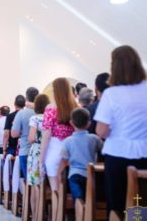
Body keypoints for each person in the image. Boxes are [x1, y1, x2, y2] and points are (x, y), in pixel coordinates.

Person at [94, 45, 147, 217]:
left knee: (117, 205)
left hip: (117, 154)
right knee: (139, 205)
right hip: (144, 154)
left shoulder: (112, 94)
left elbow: (101, 131)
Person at [57, 108, 102, 206]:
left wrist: (58, 174)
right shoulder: (94, 138)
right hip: (91, 174)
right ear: (89, 123)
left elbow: (64, 161)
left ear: (71, 123)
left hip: (74, 175)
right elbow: (103, 150)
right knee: (89, 199)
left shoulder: (68, 141)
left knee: (78, 201)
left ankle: (79, 216)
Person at [40, 78, 77, 193]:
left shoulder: (50, 109)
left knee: (55, 192)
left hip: (54, 150)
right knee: (70, 192)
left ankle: (56, 211)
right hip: (71, 151)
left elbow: (46, 137)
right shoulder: (76, 107)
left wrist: (41, 161)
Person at [27, 94, 50, 219]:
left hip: (36, 152)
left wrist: (37, 139)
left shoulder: (35, 118)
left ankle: (36, 216)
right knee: (46, 184)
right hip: (48, 151)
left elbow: (30, 138)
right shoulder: (51, 117)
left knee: (35, 184)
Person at [11, 87, 39, 179]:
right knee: (40, 183)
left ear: (26, 98)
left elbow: (14, 134)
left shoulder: (21, 113)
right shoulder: (43, 112)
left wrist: (23, 132)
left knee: (29, 181)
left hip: (25, 150)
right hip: (40, 151)